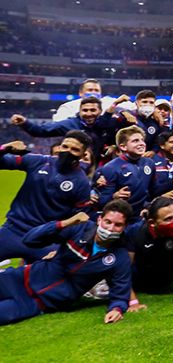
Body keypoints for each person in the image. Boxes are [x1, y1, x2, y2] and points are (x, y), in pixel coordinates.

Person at [0, 200, 133, 325]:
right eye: (107, 222)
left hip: (38, 302)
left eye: (118, 225)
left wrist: (117, 309)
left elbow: (120, 292)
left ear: (125, 227)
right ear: (99, 220)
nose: (110, 228)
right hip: (20, 278)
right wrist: (65, 223)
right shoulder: (80, 228)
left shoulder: (119, 258)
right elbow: (29, 240)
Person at [0, 133, 92, 262]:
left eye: (75, 150)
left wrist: (61, 248)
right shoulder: (39, 161)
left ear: (83, 155)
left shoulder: (82, 183)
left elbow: (79, 221)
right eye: (65, 146)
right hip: (12, 231)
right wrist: (4, 149)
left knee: (45, 279)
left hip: (44, 241)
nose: (68, 152)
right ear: (60, 147)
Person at [95, 126, 156, 215]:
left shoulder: (149, 163)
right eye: (135, 141)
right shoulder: (110, 168)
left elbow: (153, 191)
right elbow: (102, 202)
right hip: (121, 216)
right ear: (123, 147)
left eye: (142, 140)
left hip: (143, 214)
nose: (142, 143)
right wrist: (114, 197)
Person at [52, 79, 117, 121]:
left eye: (96, 90)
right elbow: (57, 122)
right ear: (81, 93)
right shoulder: (69, 106)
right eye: (90, 90)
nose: (93, 93)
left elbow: (126, 105)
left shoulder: (108, 102)